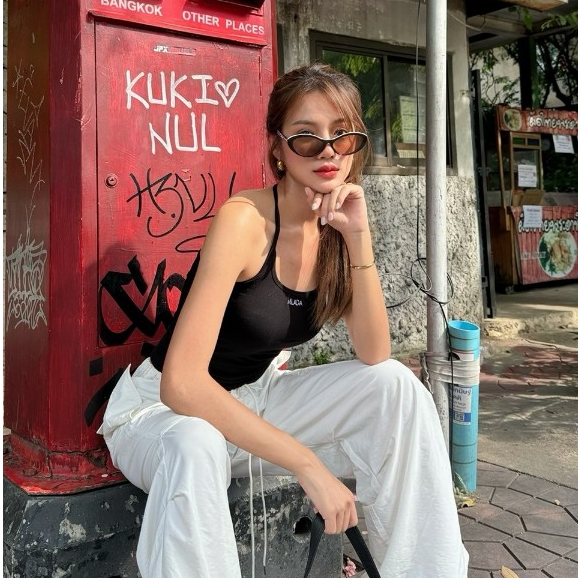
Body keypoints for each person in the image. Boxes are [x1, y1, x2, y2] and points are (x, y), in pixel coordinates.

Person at [99, 63, 469, 578]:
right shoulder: (244, 221)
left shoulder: (337, 224)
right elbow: (180, 385)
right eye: (307, 137)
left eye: (342, 136)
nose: (327, 152)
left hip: (256, 399)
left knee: (396, 387)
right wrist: (306, 463)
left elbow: (375, 352)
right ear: (277, 147)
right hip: (164, 417)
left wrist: (358, 236)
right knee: (195, 442)